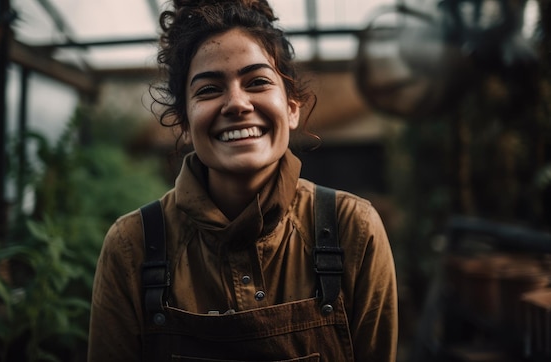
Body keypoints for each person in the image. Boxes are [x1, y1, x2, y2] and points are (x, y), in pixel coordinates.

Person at [88, 0, 398, 361]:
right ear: (184, 123)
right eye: (208, 89)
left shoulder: (353, 229)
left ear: (292, 108)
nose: (237, 103)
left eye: (257, 82)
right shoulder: (132, 246)